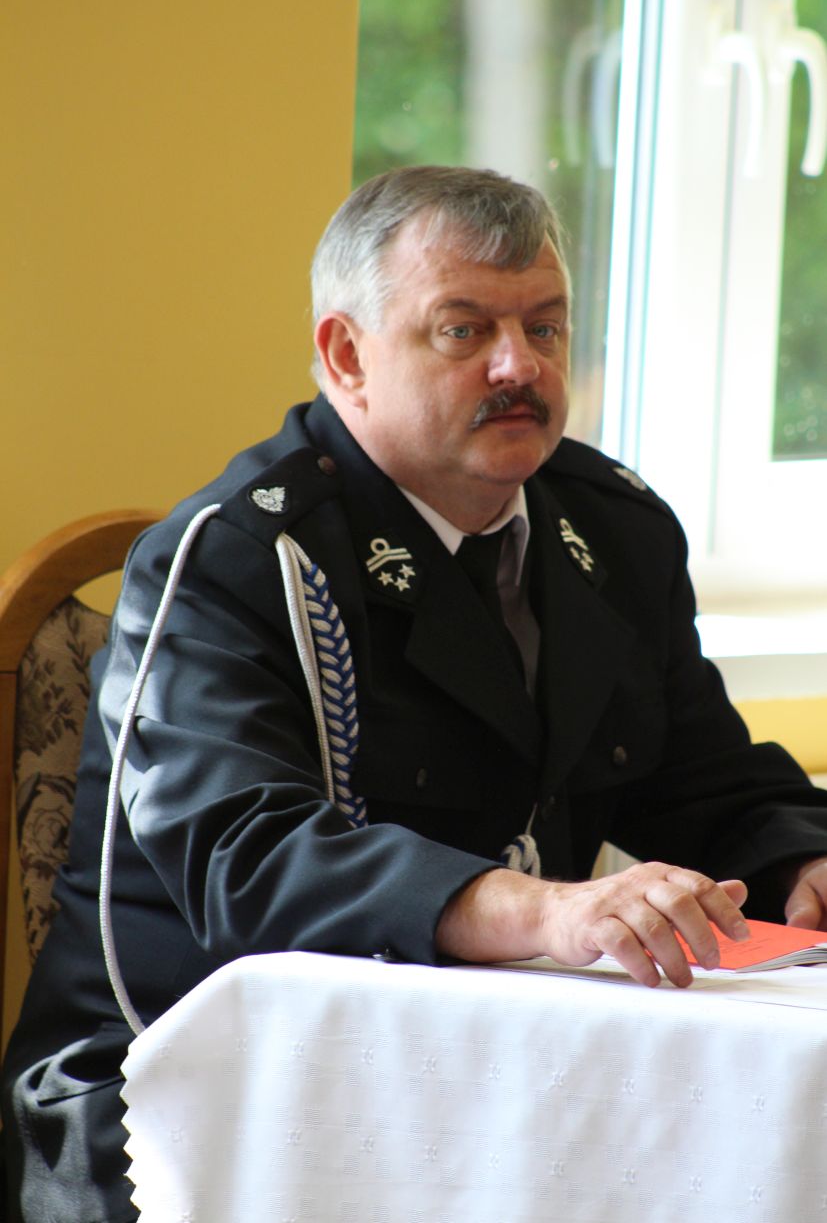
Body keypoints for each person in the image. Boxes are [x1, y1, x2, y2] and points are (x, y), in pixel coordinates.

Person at [4, 164, 827, 1221]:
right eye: (462, 329)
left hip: (479, 1064)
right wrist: (544, 909)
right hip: (184, 1094)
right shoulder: (239, 556)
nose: (517, 365)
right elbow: (244, 857)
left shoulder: (610, 530)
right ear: (347, 355)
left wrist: (800, 859)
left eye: (543, 326)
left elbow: (696, 774)